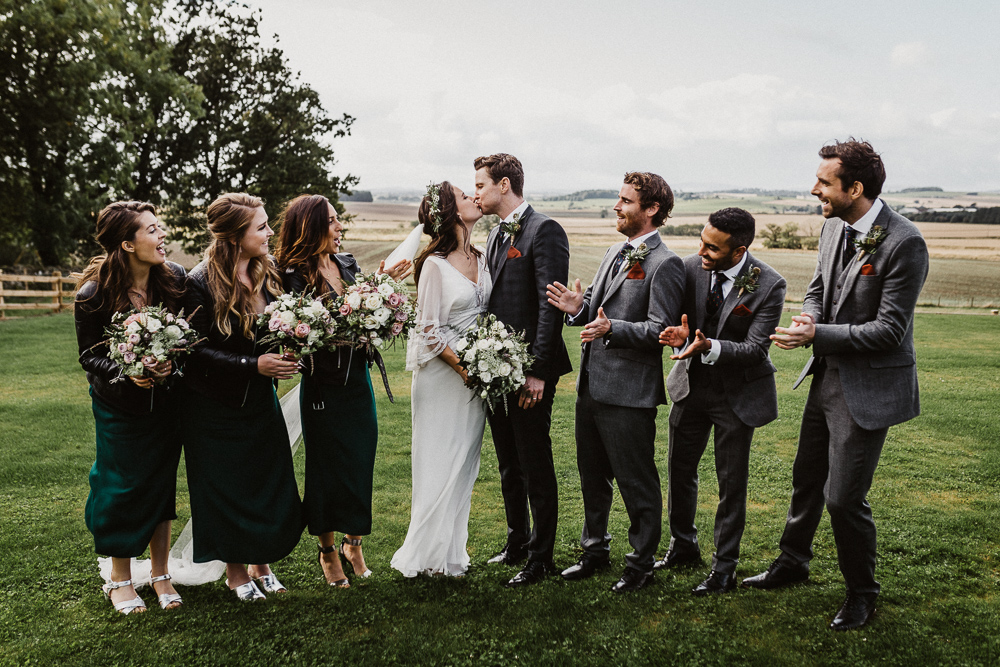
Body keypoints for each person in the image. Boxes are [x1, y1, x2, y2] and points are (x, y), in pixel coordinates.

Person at [742, 139, 929, 631]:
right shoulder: (832, 227)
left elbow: (890, 330)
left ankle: (862, 594)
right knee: (806, 479)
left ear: (856, 188)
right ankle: (792, 563)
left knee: (843, 497)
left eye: (824, 182)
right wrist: (809, 316)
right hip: (825, 377)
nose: (814, 189)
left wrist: (817, 334)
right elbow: (820, 287)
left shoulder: (904, 242)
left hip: (868, 389)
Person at [547, 172, 684, 593]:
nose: (616, 206)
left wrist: (612, 329)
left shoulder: (667, 264)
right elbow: (596, 309)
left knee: (635, 481)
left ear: (652, 209)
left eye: (625, 200)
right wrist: (577, 309)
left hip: (629, 392)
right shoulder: (613, 251)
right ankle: (594, 551)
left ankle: (640, 563)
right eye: (618, 198)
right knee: (592, 476)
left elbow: (660, 329)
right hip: (591, 386)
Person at [275, 194, 411, 586]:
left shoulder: (346, 262)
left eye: (338, 221)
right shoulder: (293, 274)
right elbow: (304, 331)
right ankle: (328, 552)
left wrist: (381, 289)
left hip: (357, 382)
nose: (339, 228)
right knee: (324, 468)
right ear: (312, 227)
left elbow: (362, 307)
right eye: (332, 222)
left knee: (358, 460)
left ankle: (354, 542)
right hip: (323, 384)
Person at [656, 207, 786, 596]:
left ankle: (724, 569)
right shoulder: (689, 267)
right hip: (691, 387)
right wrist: (679, 336)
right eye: (701, 241)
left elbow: (754, 349)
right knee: (680, 470)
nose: (702, 252)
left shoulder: (770, 285)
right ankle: (683, 546)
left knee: (731, 484)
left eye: (712, 248)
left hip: (737, 395)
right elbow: (675, 318)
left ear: (738, 250)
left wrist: (709, 346)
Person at [181, 192, 303, 601]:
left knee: (264, 480)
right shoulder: (198, 282)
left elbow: (277, 329)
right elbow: (195, 350)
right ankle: (236, 572)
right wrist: (254, 366)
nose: (270, 233)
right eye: (262, 226)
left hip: (258, 400)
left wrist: (291, 349)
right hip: (214, 406)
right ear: (235, 236)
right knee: (226, 487)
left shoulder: (267, 273)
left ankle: (260, 561)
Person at [74, 200, 185, 614]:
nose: (162, 236)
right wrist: (129, 371)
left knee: (160, 482)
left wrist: (172, 362)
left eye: (160, 228)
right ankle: (119, 577)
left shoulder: (172, 280)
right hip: (118, 407)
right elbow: (90, 357)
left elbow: (187, 336)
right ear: (126, 243)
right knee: (120, 485)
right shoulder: (93, 294)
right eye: (152, 230)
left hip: (168, 403)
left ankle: (160, 574)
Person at [474, 153, 572, 587]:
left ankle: (541, 556)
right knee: (508, 462)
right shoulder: (496, 235)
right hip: (497, 369)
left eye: (480, 185)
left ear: (505, 185)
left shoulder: (544, 230)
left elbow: (550, 308)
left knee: (534, 461)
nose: (475, 192)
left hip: (529, 370)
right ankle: (517, 541)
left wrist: (537, 372)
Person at [390, 181, 491, 577]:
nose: (474, 198)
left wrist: (487, 364)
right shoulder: (432, 264)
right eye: (466, 196)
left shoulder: (482, 257)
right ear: (451, 211)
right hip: (444, 376)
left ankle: (452, 555)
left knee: (465, 460)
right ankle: (426, 556)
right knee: (437, 460)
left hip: (478, 373)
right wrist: (466, 368)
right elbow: (428, 329)